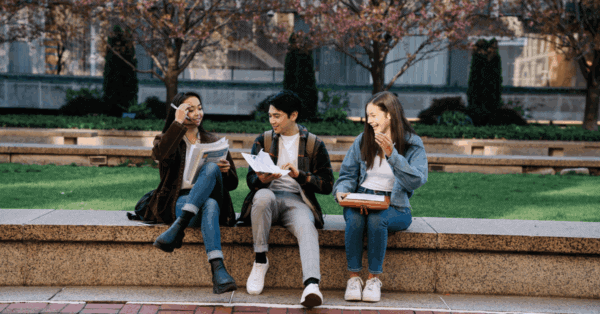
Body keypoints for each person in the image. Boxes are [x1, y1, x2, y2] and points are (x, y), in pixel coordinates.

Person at [238, 90, 334, 308]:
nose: (272, 120)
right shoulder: (264, 139)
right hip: (268, 196)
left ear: (293, 116)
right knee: (261, 196)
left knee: (306, 226)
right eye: (271, 115)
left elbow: (327, 184)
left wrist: (300, 175)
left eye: (277, 115)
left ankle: (311, 285)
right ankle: (260, 261)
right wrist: (262, 179)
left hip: (296, 200)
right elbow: (250, 180)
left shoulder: (313, 144)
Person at [332, 91, 428, 302]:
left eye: (374, 115)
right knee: (356, 219)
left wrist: (392, 155)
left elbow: (417, 180)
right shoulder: (363, 140)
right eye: (368, 116)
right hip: (361, 198)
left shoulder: (412, 144)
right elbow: (347, 175)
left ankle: (374, 279)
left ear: (389, 115)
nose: (370, 121)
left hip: (395, 206)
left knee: (377, 218)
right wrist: (342, 191)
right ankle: (354, 279)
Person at [146, 91, 239, 294]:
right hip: (179, 201)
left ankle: (178, 228)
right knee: (210, 205)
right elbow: (161, 156)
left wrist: (225, 171)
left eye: (199, 107)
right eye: (190, 109)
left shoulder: (212, 140)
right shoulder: (166, 140)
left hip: (212, 196)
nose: (198, 113)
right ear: (179, 113)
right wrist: (177, 125)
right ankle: (218, 270)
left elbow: (232, 184)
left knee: (212, 169)